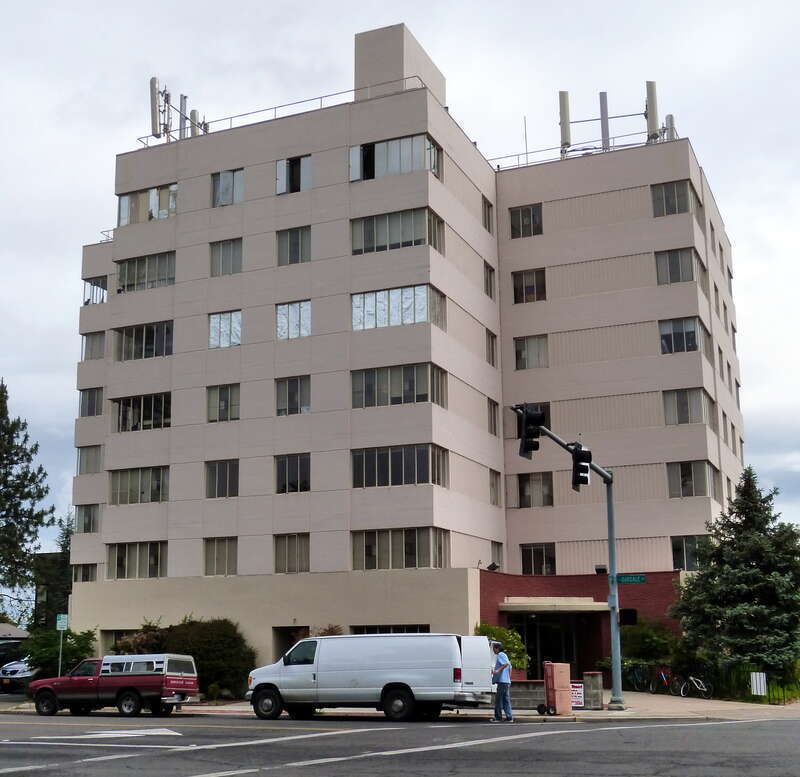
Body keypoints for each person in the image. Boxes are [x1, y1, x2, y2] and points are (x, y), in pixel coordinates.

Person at [490, 642, 513, 722]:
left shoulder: (500, 654)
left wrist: (497, 671)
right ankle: (509, 717)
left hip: (502, 682)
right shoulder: (504, 655)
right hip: (506, 681)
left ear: (497, 649)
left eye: (493, 649)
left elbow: (506, 664)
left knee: (498, 700)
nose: (493, 651)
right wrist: (508, 678)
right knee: (506, 700)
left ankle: (498, 717)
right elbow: (510, 666)